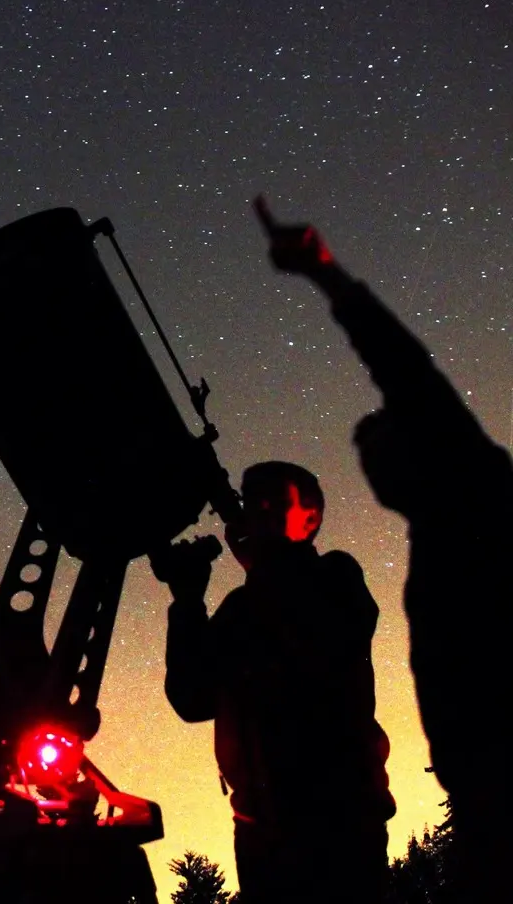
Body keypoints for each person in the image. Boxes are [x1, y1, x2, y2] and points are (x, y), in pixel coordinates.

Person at [253, 195, 511, 900]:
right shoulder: (434, 548)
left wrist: (327, 275)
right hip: (489, 808)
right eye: (360, 454)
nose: (369, 463)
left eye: (381, 441)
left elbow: (407, 370)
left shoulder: (479, 494)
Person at [156, 461, 396, 904]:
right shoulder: (242, 606)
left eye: (272, 502)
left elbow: (317, 638)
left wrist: (257, 566)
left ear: (311, 518)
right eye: (251, 502)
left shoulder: (337, 575)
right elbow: (192, 698)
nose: (254, 512)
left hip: (340, 825)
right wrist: (188, 603)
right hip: (260, 832)